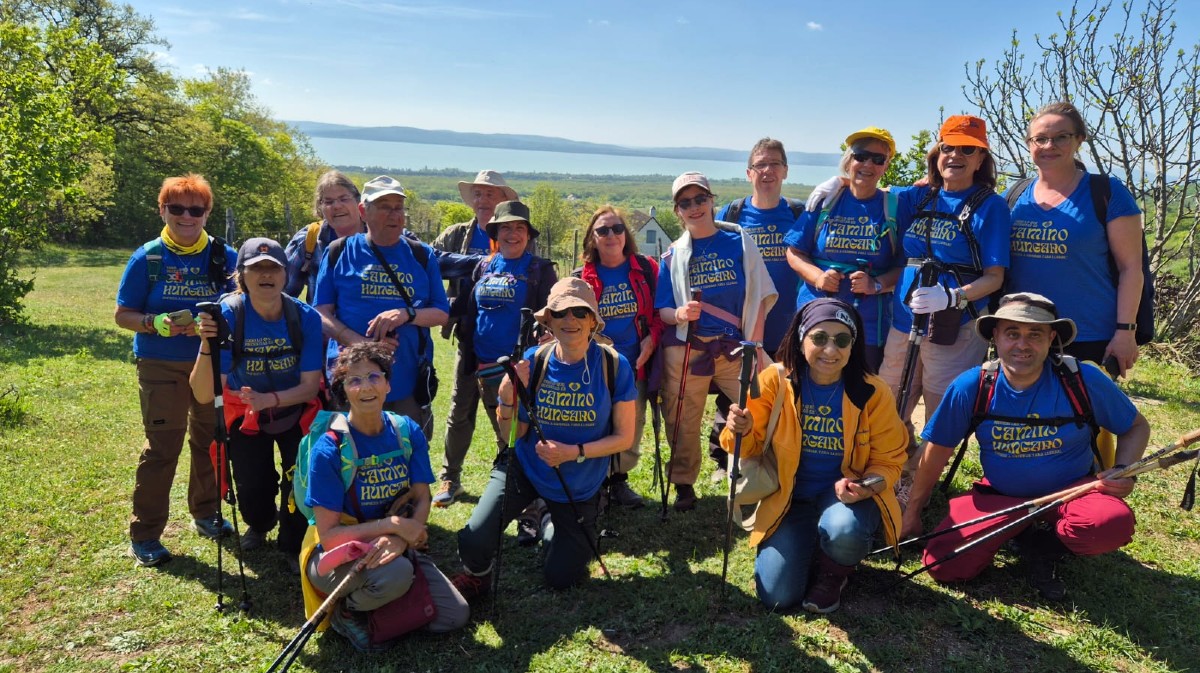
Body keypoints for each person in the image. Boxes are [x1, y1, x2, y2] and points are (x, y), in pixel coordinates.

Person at [900, 293, 1149, 600]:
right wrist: (912, 511)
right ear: (996, 337)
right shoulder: (972, 385)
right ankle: (1017, 528)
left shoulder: (1080, 380)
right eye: (1012, 333)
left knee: (1109, 524)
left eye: (1035, 334)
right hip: (1003, 497)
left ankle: (1043, 546)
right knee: (944, 565)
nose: (1022, 344)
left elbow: (1136, 427)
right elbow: (935, 452)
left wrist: (1125, 470)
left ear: (1051, 338)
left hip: (1074, 491)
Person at [452, 278, 636, 597]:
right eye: (560, 313)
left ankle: (551, 522)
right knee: (474, 539)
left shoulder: (613, 365)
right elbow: (515, 432)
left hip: (578, 484)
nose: (570, 321)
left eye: (580, 312)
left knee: (561, 576)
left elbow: (623, 438)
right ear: (548, 320)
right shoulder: (535, 361)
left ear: (593, 320)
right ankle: (478, 575)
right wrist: (508, 397)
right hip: (527, 469)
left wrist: (573, 452)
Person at [723, 298, 907, 613]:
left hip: (844, 502)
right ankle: (805, 543)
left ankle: (834, 572)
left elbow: (889, 463)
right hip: (787, 498)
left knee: (843, 531)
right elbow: (744, 446)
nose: (831, 350)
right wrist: (740, 428)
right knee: (777, 597)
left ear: (853, 345)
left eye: (842, 340)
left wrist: (865, 486)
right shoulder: (774, 380)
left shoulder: (874, 392)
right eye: (819, 338)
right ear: (801, 338)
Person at [300, 342, 469, 651]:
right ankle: (347, 611)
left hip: (393, 545)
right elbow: (329, 537)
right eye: (354, 380)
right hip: (336, 556)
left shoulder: (406, 430)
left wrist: (403, 538)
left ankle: (383, 603)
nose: (365, 387)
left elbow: (421, 497)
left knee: (453, 616)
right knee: (398, 575)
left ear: (388, 384)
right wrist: (392, 526)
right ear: (344, 391)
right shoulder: (329, 449)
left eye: (374, 377)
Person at [879, 116, 1011, 495]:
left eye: (967, 149)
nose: (955, 155)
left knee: (940, 411)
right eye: (948, 147)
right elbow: (872, 191)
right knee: (891, 403)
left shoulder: (990, 207)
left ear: (981, 156)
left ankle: (915, 489)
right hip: (904, 319)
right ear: (936, 152)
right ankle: (894, 470)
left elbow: (995, 277)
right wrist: (835, 184)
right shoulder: (920, 196)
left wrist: (953, 296)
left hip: (956, 325)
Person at [114, 173, 238, 567]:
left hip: (209, 362)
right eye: (177, 208)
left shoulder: (224, 256)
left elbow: (242, 302)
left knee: (209, 441)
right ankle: (146, 533)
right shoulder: (148, 257)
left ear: (207, 212)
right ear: (162, 210)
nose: (187, 216)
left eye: (196, 209)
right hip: (160, 363)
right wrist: (157, 323)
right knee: (162, 448)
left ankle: (205, 513)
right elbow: (123, 315)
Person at [189, 238, 323, 570]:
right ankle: (259, 525)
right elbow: (205, 394)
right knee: (252, 481)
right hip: (246, 413)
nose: (265, 275)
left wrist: (270, 399)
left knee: (298, 477)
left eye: (273, 268)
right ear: (242, 276)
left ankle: (292, 543)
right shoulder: (229, 316)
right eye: (256, 268)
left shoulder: (304, 317)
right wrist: (208, 344)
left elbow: (309, 388)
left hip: (294, 409)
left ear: (285, 273)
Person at [656, 171, 777, 511]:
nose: (694, 207)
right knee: (682, 419)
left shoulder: (740, 242)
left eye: (700, 199)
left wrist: (754, 344)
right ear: (677, 210)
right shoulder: (672, 255)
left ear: (712, 200)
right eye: (685, 202)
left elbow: (760, 294)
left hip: (735, 347)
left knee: (759, 406)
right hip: (688, 349)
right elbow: (662, 309)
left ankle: (755, 473)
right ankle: (683, 484)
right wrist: (680, 314)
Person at [1005, 101, 1145, 375]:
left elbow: (1131, 268)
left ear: (1079, 139)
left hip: (1089, 336)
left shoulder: (1107, 192)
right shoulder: (1014, 196)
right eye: (1040, 139)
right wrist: (934, 182)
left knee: (1083, 417)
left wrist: (1126, 332)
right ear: (1029, 143)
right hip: (1022, 334)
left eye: (1061, 137)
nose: (1049, 145)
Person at [437, 200, 557, 510]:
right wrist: (420, 313)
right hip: (479, 364)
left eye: (520, 228)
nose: (513, 234)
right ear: (495, 233)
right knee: (471, 420)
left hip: (518, 369)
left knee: (513, 432)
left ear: (528, 235)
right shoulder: (483, 266)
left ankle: (528, 499)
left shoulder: (540, 270)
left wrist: (548, 335)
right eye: (506, 227)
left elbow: (554, 315)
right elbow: (463, 307)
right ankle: (457, 478)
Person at [313, 175, 449, 438]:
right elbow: (320, 312)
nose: (394, 214)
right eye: (385, 206)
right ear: (364, 211)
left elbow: (441, 314)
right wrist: (360, 344)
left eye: (398, 207)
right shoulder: (339, 251)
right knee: (349, 459)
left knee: (407, 458)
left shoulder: (421, 255)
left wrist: (405, 314)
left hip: (406, 383)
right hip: (351, 379)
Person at [705, 138, 805, 483]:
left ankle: (778, 453)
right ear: (749, 173)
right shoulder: (730, 216)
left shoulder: (798, 213)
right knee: (737, 394)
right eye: (761, 164)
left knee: (788, 394)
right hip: (743, 326)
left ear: (786, 171)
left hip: (790, 323)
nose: (768, 171)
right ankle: (724, 456)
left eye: (775, 164)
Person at [433, 169, 520, 506]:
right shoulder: (456, 235)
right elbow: (431, 264)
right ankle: (450, 477)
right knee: (460, 408)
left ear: (503, 201)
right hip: (469, 338)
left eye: (491, 194)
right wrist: (477, 263)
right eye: (479, 195)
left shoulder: (515, 235)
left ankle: (511, 474)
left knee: (507, 409)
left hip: (508, 345)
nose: (483, 201)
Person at [785, 127, 905, 372]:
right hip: (816, 316)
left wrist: (877, 284)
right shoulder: (826, 200)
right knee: (805, 392)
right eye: (861, 155)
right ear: (849, 159)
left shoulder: (895, 207)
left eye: (878, 159)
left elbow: (905, 265)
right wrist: (818, 277)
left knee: (859, 396)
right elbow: (794, 251)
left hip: (868, 327)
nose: (868, 164)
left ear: (886, 165)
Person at [573, 205, 664, 508]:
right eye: (603, 230)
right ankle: (594, 484)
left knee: (630, 428)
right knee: (595, 423)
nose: (611, 235)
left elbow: (659, 312)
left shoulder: (647, 269)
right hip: (595, 367)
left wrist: (652, 338)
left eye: (617, 228)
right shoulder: (581, 278)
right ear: (592, 238)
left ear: (626, 234)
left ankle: (617, 482)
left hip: (635, 366)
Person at [284, 170, 366, 303]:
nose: (337, 206)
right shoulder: (308, 240)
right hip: (321, 322)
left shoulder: (380, 236)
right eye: (328, 202)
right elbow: (281, 294)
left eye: (344, 199)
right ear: (320, 207)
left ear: (358, 201)